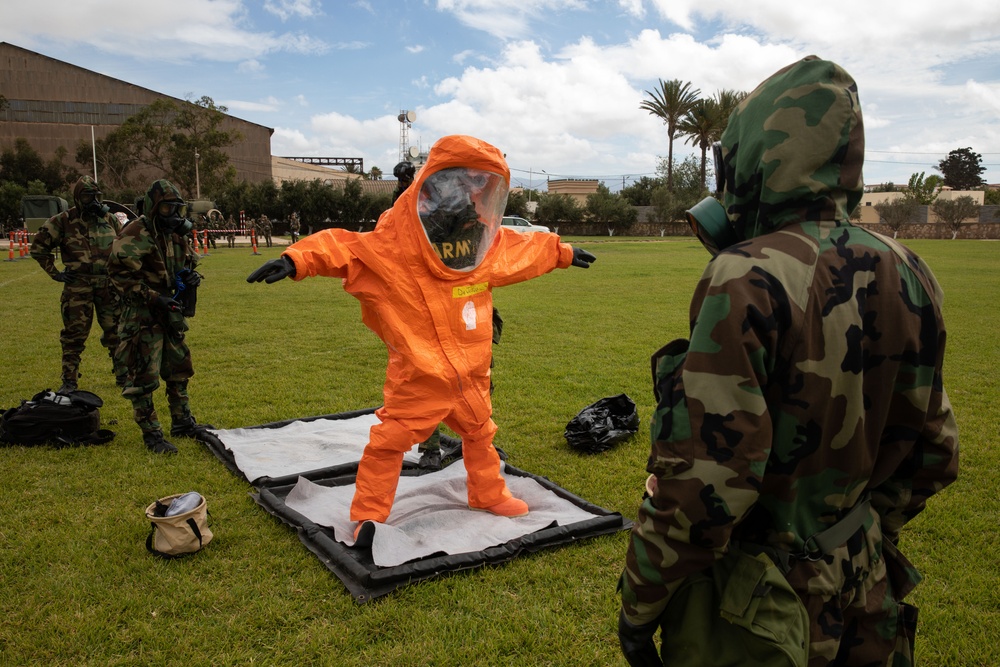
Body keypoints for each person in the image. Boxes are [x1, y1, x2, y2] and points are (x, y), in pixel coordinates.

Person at [618, 57, 959, 667]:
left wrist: (639, 605)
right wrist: (859, 533)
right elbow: (934, 451)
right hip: (866, 579)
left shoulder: (743, 274)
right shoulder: (909, 269)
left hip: (755, 608)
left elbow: (706, 482)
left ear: (752, 155)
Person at [248, 134, 596, 542]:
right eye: (458, 183)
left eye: (475, 185)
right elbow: (348, 250)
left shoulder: (480, 242)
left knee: (480, 433)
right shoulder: (394, 247)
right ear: (432, 184)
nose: (465, 195)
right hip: (419, 373)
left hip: (470, 372)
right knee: (391, 440)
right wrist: (297, 259)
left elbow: (521, 249)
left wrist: (562, 252)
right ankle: (369, 515)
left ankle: (487, 493)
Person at [108, 179, 213, 454]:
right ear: (154, 207)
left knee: (178, 368)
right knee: (143, 374)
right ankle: (152, 433)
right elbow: (120, 277)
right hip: (142, 313)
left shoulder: (176, 233)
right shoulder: (135, 234)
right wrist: (154, 298)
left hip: (171, 310)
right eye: (167, 208)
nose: (173, 215)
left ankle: (182, 422)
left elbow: (187, 261)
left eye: (177, 209)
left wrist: (189, 274)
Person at [29, 176, 128, 393]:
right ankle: (69, 380)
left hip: (108, 285)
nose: (92, 201)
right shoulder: (63, 220)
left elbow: (125, 247)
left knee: (116, 332)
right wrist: (55, 273)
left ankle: (123, 375)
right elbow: (38, 248)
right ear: (77, 197)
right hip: (78, 286)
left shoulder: (109, 220)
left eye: (96, 196)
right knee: (74, 335)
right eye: (87, 196)